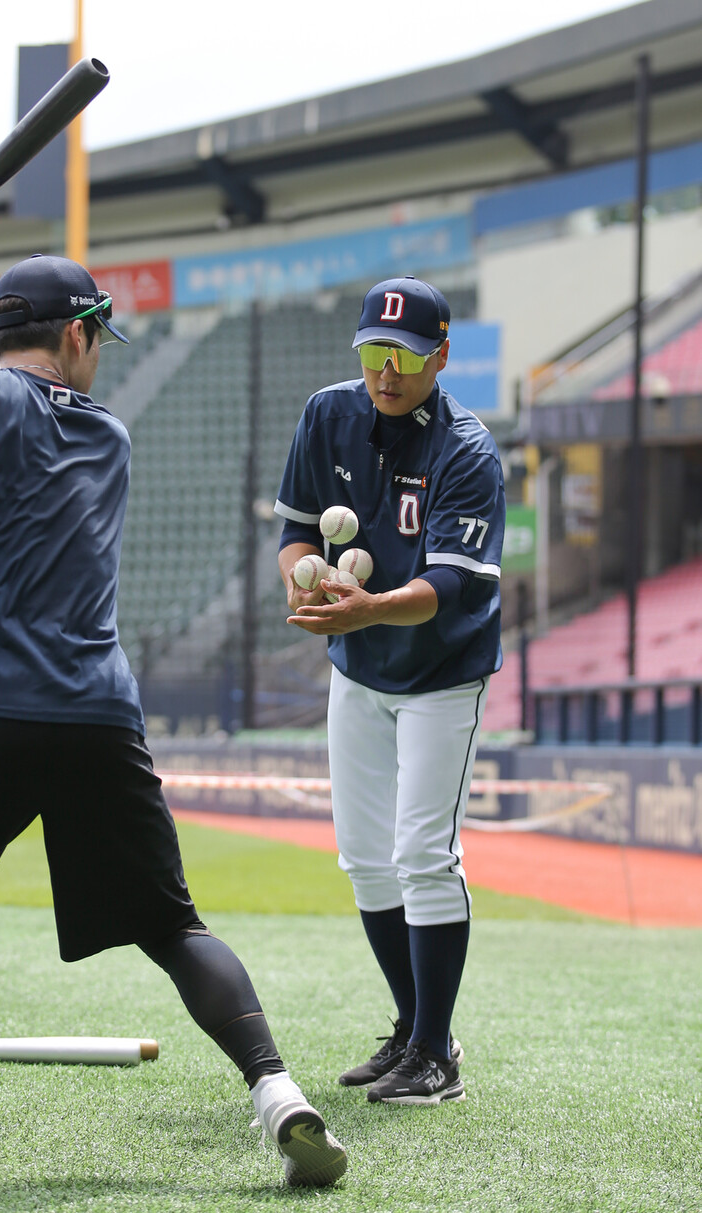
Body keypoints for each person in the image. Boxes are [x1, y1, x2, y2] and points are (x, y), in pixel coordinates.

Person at [0, 257, 346, 1187]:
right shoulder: (110, 435)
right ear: (76, 334)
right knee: (175, 927)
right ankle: (278, 1092)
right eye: (95, 340)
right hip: (92, 712)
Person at [274, 276, 505, 1105]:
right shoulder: (327, 415)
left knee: (423, 855)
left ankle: (437, 1057)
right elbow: (297, 528)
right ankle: (416, 1034)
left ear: (441, 356)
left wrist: (366, 607)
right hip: (359, 668)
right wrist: (299, 585)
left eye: (404, 356)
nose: (385, 370)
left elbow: (450, 582)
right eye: (374, 352)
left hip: (442, 672)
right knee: (366, 860)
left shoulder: (468, 451)